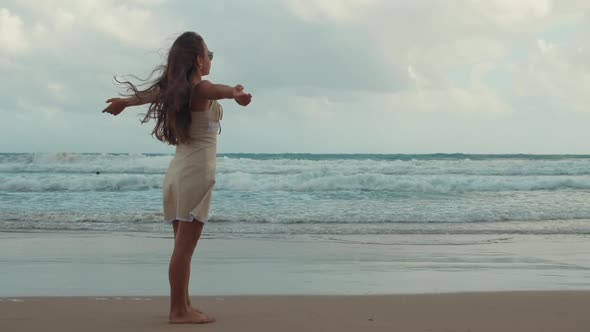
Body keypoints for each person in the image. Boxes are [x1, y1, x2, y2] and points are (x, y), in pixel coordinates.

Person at [101, 31, 252, 324]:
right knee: (184, 249)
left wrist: (125, 102)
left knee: (181, 248)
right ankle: (178, 311)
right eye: (209, 54)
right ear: (198, 58)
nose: (210, 59)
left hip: (178, 173)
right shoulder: (199, 88)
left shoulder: (178, 91)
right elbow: (216, 90)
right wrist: (234, 93)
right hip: (195, 173)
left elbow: (149, 95)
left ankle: (184, 304)